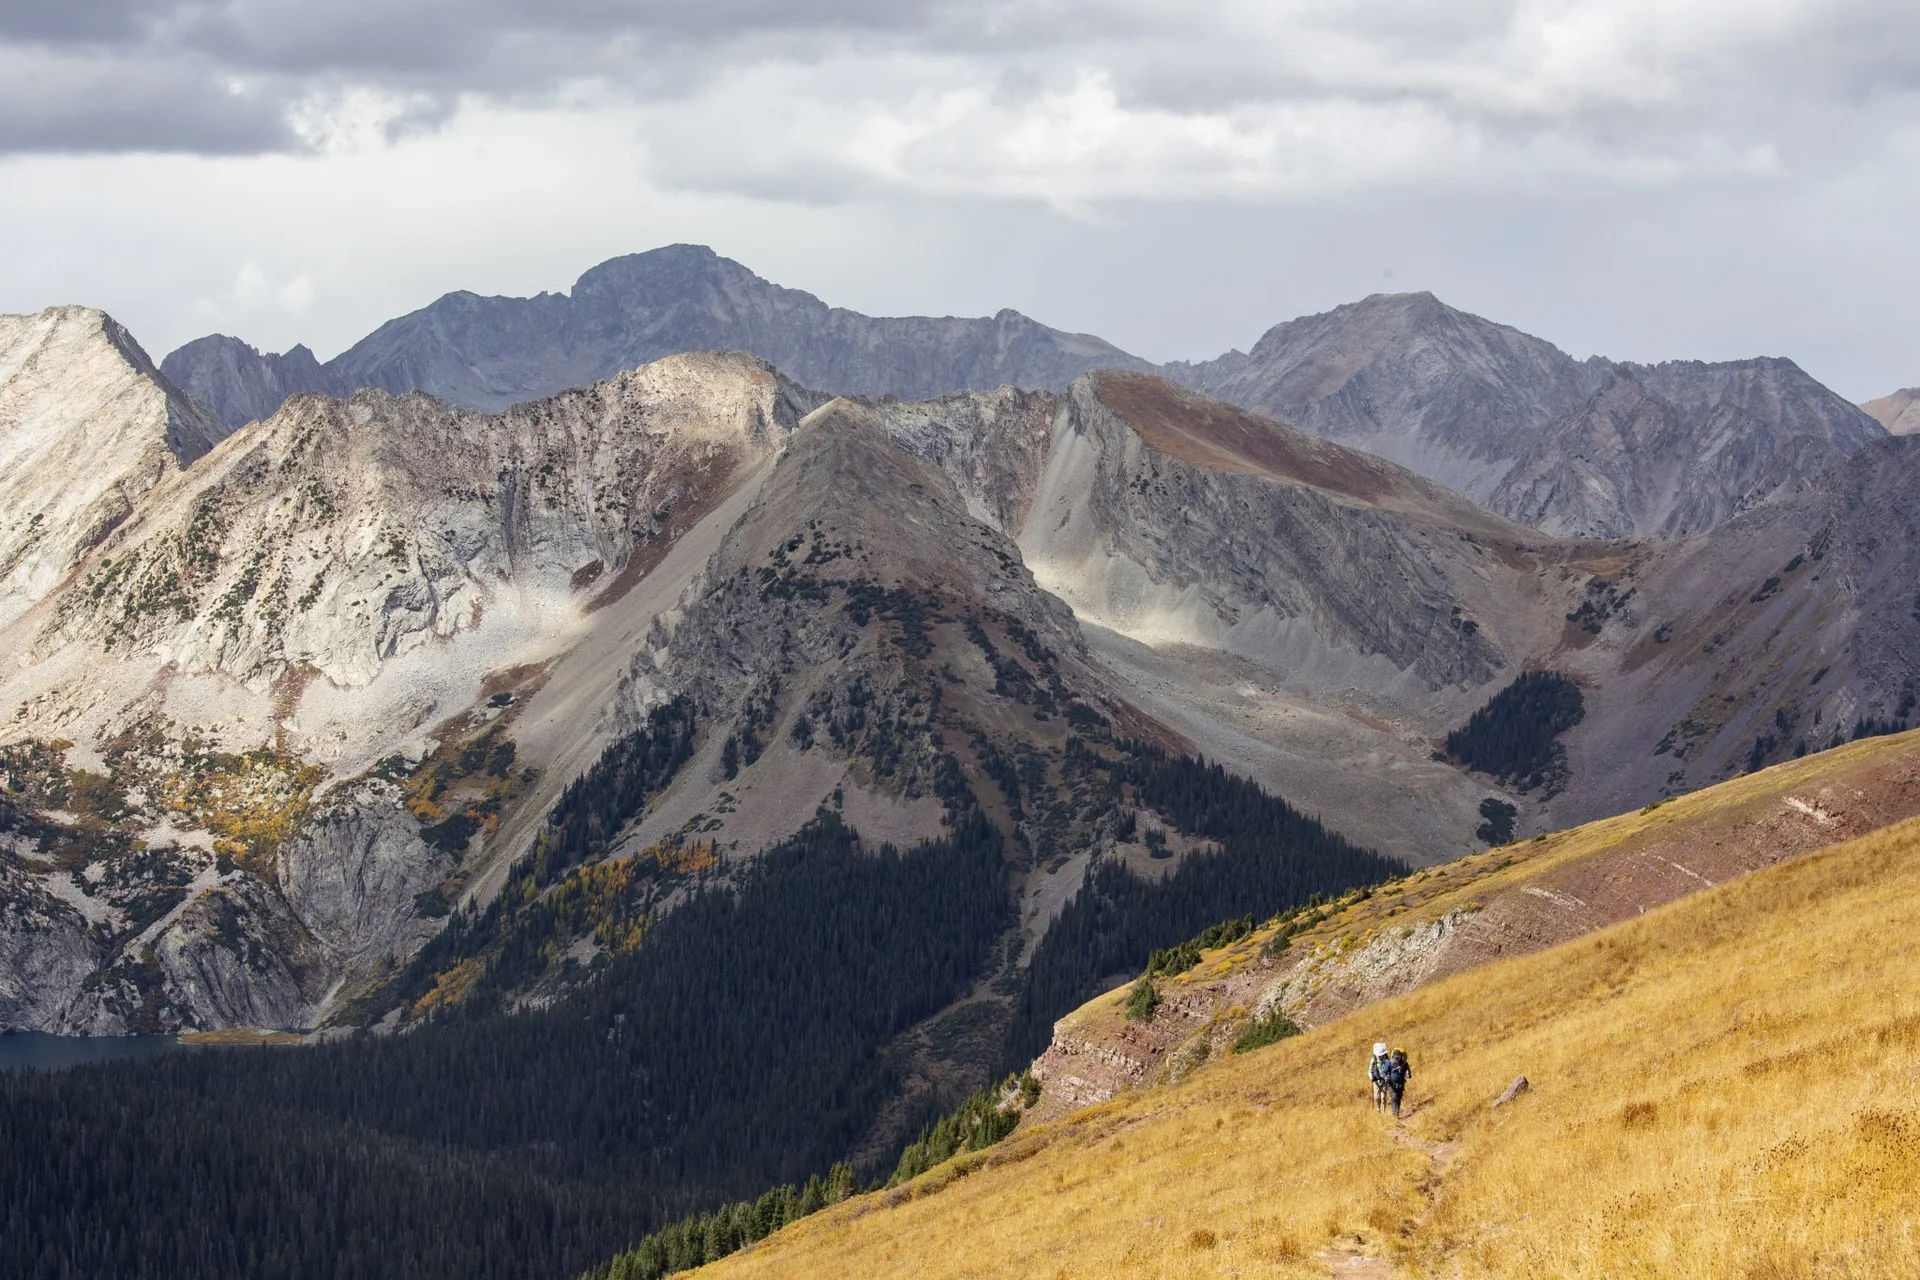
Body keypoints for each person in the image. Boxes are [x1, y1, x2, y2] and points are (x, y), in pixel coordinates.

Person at [1384, 1047, 1411, 1118]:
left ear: (1401, 1056)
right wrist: (1386, 1076)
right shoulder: (1389, 1063)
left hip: (1400, 1084)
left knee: (1399, 1098)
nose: (1397, 1059)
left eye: (1398, 1057)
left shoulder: (1404, 1063)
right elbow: (1384, 1071)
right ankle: (1395, 1114)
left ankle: (1397, 1111)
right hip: (1391, 1084)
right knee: (1394, 1097)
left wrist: (1408, 1073)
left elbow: (1408, 1071)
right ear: (1393, 1057)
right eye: (1395, 1058)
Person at [1368, 1042, 1392, 1112]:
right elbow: (1369, 1071)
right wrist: (1371, 1077)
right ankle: (1378, 1108)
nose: (1381, 1056)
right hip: (1376, 1081)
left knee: (1383, 1097)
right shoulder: (1373, 1059)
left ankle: (1383, 1111)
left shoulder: (1387, 1060)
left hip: (1384, 1081)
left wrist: (1388, 1077)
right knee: (1376, 1097)